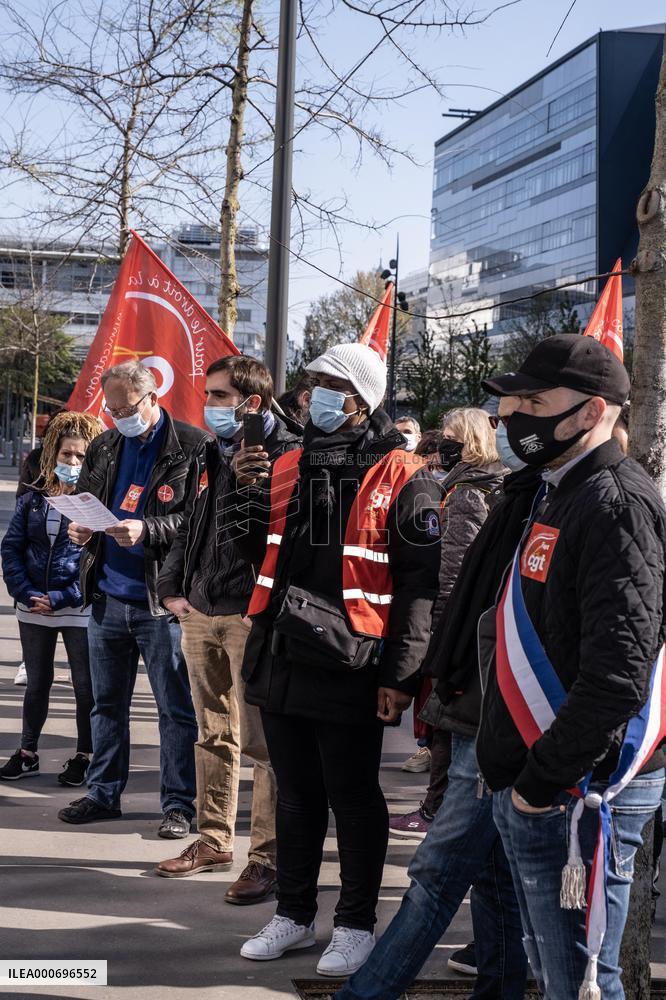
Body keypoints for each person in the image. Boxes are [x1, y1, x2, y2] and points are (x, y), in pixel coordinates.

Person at [233, 343, 441, 977]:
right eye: (310, 383)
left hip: (354, 660)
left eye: (326, 384)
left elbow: (419, 584)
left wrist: (403, 676)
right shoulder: (290, 461)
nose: (310, 394)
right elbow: (257, 554)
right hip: (283, 651)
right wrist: (244, 493)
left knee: (351, 797)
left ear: (359, 400)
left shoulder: (405, 473)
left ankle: (354, 925)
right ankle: (294, 915)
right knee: (294, 794)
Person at [474, 334, 665, 1000]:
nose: (511, 417)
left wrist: (536, 784)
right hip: (542, 779)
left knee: (580, 983)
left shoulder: (614, 504)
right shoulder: (561, 489)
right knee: (555, 974)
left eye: (532, 400)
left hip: (575, 789)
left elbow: (617, 676)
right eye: (511, 401)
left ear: (589, 413)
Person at [334, 395, 539, 1000]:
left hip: (491, 707)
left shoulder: (519, 496)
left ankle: (364, 992)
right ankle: (499, 984)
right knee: (494, 872)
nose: (510, 431)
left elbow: (457, 595)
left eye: (520, 416)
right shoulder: (512, 495)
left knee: (435, 870)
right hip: (472, 694)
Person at [155, 355, 302, 904]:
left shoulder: (284, 454)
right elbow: (189, 527)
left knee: (264, 744)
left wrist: (258, 607)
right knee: (212, 734)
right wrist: (174, 593)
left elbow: (281, 538)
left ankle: (265, 859)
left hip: (249, 614)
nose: (208, 405)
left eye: (219, 396)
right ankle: (213, 839)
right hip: (199, 611)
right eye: (209, 394)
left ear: (252, 402)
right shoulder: (202, 454)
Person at [58, 361, 208, 837]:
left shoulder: (192, 447)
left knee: (174, 709)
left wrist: (149, 529)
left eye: (124, 407)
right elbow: (86, 497)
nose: (117, 415)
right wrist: (80, 528)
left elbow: (198, 522)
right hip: (106, 595)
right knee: (106, 706)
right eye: (111, 407)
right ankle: (104, 793)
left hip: (159, 602)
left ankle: (178, 805)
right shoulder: (104, 445)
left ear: (152, 398)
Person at [390, 407, 506, 839]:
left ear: (471, 439)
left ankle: (435, 810)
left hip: (457, 623)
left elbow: (452, 568)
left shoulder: (465, 492)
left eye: (452, 434)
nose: (442, 441)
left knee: (442, 718)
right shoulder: (489, 482)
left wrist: (435, 630)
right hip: (477, 622)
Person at [1, 412, 103, 784]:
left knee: (85, 685)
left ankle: (84, 755)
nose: (72, 463)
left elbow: (98, 560)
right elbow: (12, 547)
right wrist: (25, 591)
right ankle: (27, 752)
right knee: (37, 682)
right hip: (32, 607)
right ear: (52, 456)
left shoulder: (96, 504)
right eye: (66, 455)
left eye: (80, 456)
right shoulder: (34, 499)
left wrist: (62, 596)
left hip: (78, 608)